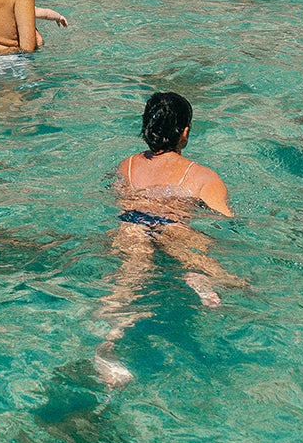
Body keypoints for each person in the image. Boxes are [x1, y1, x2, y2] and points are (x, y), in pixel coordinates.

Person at [96, 91, 237, 385]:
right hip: (175, 229)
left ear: (147, 127)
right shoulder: (202, 176)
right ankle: (196, 278)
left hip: (131, 225)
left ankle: (107, 346)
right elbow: (224, 219)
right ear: (184, 133)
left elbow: (115, 194)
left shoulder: (126, 166)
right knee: (223, 274)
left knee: (125, 287)